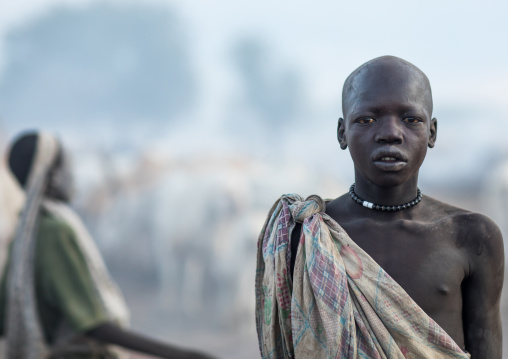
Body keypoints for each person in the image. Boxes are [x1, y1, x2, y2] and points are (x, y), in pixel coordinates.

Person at [255, 56, 504, 358]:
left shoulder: (472, 236)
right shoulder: (306, 236)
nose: (391, 133)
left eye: (411, 119)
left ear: (432, 132)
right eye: (367, 120)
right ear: (342, 133)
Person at [0, 131, 215, 359]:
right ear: (51, 176)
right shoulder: (55, 232)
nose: (73, 175)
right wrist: (179, 354)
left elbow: (5, 316)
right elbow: (94, 325)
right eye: (67, 166)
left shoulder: (24, 233)